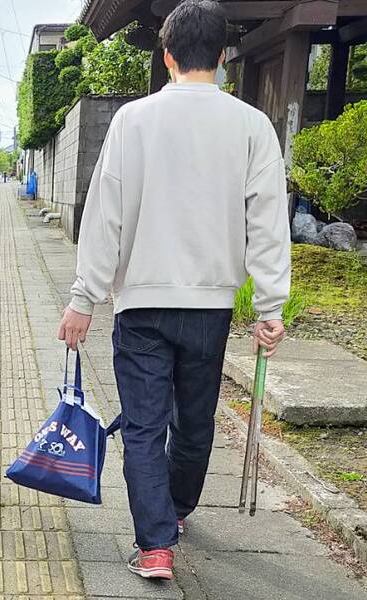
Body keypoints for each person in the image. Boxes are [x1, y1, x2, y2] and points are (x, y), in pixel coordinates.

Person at [57, 0, 290, 581]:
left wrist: (84, 297)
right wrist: (270, 305)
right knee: (195, 419)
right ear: (222, 58)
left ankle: (155, 541)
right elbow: (266, 220)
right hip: (209, 305)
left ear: (166, 56)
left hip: (140, 302)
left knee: (143, 424)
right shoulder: (251, 127)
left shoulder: (133, 121)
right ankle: (175, 511)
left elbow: (104, 214)